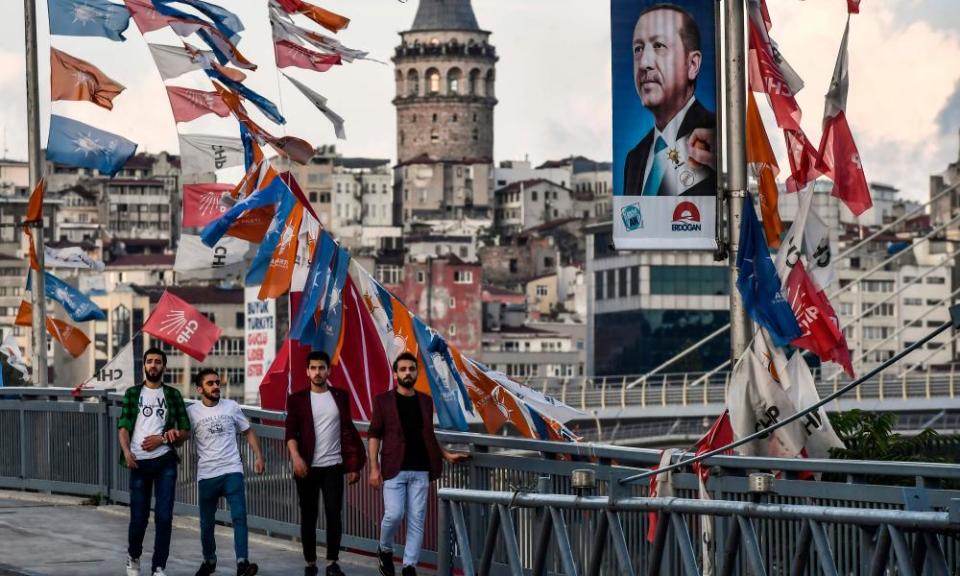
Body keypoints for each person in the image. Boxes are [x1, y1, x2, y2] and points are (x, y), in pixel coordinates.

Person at [368, 352, 471, 576]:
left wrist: (446, 455)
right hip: (394, 468)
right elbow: (374, 434)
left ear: (416, 373)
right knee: (394, 514)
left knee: (417, 519)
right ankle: (384, 549)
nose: (407, 373)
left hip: (421, 468)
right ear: (396, 374)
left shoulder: (425, 400)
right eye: (403, 369)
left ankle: (409, 566)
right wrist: (374, 468)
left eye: (411, 369)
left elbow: (428, 435)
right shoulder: (383, 400)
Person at [285, 351, 366, 576]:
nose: (317, 372)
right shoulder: (297, 399)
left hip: (334, 466)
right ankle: (310, 563)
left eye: (322, 368)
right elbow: (290, 431)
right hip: (307, 467)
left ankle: (332, 562)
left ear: (328, 371)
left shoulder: (340, 396)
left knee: (333, 513)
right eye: (313, 368)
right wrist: (296, 457)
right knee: (309, 515)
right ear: (307, 371)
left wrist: (352, 466)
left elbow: (348, 432)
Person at [624, 4, 717, 197]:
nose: (644, 63)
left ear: (692, 64)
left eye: (659, 46)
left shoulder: (718, 138)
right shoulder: (634, 158)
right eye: (638, 49)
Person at [118, 347, 191, 576]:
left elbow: (186, 430)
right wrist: (127, 452)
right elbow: (123, 427)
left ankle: (159, 566)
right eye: (149, 361)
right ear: (144, 366)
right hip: (139, 463)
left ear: (163, 367)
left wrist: (165, 438)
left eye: (157, 362)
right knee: (139, 517)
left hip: (164, 461)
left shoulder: (172, 395)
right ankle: (133, 557)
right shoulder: (132, 393)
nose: (153, 365)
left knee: (164, 516)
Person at [188, 368, 265, 576]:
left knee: (239, 517)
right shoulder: (192, 412)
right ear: (199, 389)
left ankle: (242, 563)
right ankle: (209, 560)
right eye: (210, 383)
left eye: (217, 383)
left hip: (232, 470)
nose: (215, 386)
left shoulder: (231, 407)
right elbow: (183, 436)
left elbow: (248, 431)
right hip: (207, 474)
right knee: (206, 524)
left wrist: (258, 456)